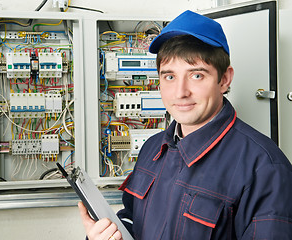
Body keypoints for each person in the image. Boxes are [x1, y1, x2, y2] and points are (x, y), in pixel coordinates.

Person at [79, 10, 292, 239]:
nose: (180, 93)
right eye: (169, 76)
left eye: (196, 75)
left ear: (224, 79)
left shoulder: (265, 168)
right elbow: (132, 219)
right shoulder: (152, 149)